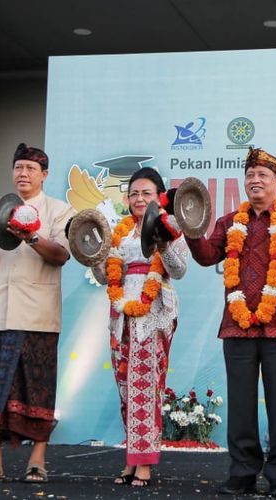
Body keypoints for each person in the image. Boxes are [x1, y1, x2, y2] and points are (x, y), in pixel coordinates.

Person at [184, 148, 276, 497]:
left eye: (263, 176)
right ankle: (242, 471)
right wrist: (191, 229)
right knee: (241, 402)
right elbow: (207, 256)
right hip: (237, 324)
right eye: (250, 175)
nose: (255, 181)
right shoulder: (230, 222)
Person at [0, 143, 75, 483]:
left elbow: (60, 255)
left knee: (39, 389)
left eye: (30, 168)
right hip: (0, 312)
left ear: (44, 175)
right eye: (18, 168)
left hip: (39, 314)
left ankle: (37, 460)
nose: (23, 173)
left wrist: (30, 236)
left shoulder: (59, 210)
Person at [104, 167, 189, 488]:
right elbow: (104, 276)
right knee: (126, 387)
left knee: (145, 385)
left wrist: (163, 246)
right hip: (120, 314)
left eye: (147, 193)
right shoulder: (121, 232)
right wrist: (97, 256)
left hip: (153, 312)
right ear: (127, 199)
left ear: (159, 198)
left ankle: (145, 464)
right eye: (134, 193)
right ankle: (131, 458)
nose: (139, 198)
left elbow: (180, 270)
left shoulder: (170, 227)